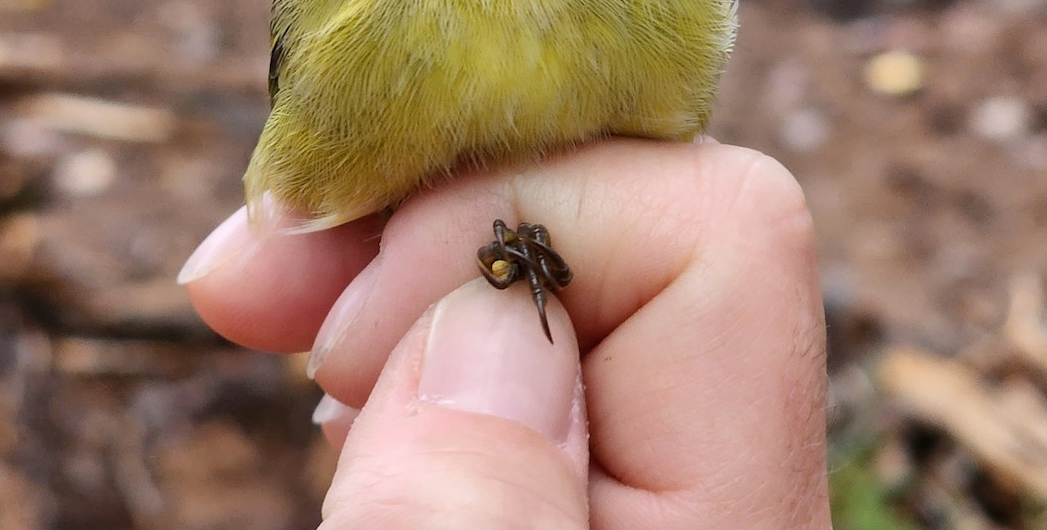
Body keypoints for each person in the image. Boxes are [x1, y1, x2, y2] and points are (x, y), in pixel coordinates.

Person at [180, 138, 832, 529]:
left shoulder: (525, 256)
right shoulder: (520, 255)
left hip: (512, 266)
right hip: (511, 268)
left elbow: (542, 265)